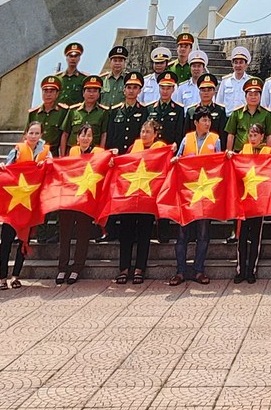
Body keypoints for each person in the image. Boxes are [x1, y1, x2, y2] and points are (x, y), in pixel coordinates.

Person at [169, 108, 222, 285]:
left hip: (206, 192)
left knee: (203, 233)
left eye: (209, 120)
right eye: (204, 120)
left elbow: (219, 162)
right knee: (183, 233)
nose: (207, 123)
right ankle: (180, 271)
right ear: (196, 122)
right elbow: (178, 158)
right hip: (188, 192)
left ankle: (199, 270)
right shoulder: (187, 139)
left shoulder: (215, 139)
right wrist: (176, 160)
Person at [113, 117, 164, 285]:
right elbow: (123, 166)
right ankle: (124, 268)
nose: (144, 134)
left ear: (156, 134)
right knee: (126, 233)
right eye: (143, 131)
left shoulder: (161, 150)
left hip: (148, 199)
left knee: (144, 234)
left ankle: (139, 268)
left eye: (148, 131)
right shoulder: (132, 148)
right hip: (130, 196)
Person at [0, 121, 50, 288]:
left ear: (41, 135)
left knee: (24, 240)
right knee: (6, 240)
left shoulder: (46, 153)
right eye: (31, 133)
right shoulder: (16, 150)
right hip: (13, 201)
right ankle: (2, 278)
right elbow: (6, 170)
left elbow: (53, 171)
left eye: (37, 133)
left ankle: (16, 276)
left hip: (30, 202)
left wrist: (46, 166)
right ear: (25, 135)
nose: (33, 136)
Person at [55, 123, 102, 285]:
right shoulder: (71, 153)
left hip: (86, 201)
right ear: (77, 138)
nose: (85, 139)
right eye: (83, 135)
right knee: (65, 234)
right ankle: (62, 267)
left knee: (83, 234)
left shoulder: (98, 154)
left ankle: (77, 268)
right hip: (68, 199)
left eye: (89, 136)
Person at [233, 122, 271, 283]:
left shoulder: (268, 152)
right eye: (250, 135)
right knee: (242, 237)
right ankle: (241, 270)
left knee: (256, 237)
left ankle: (251, 270)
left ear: (262, 136)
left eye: (256, 135)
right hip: (244, 200)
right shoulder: (243, 150)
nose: (253, 138)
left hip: (259, 201)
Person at [226, 76, 271, 151]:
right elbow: (231, 134)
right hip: (239, 154)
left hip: (259, 155)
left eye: (256, 94)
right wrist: (229, 151)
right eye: (250, 94)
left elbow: (269, 135)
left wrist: (268, 153)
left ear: (260, 96)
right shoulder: (237, 113)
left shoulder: (267, 114)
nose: (253, 97)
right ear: (245, 97)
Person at [60, 77, 109, 155]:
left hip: (93, 154)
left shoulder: (103, 112)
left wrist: (101, 154)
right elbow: (65, 134)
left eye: (95, 91)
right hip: (73, 153)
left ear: (99, 94)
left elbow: (103, 135)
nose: (91, 94)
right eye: (89, 91)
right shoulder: (73, 111)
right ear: (83, 93)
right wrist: (62, 156)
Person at [217, 47, 254, 112]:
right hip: (228, 118)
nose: (238, 65)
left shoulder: (250, 82)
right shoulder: (225, 81)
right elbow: (219, 102)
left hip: (244, 118)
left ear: (246, 65)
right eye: (236, 62)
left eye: (241, 62)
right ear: (232, 64)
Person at [54, 41, 90, 107]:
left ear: (79, 58)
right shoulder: (57, 78)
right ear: (66, 58)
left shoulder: (84, 78)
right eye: (71, 56)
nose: (73, 59)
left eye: (76, 56)